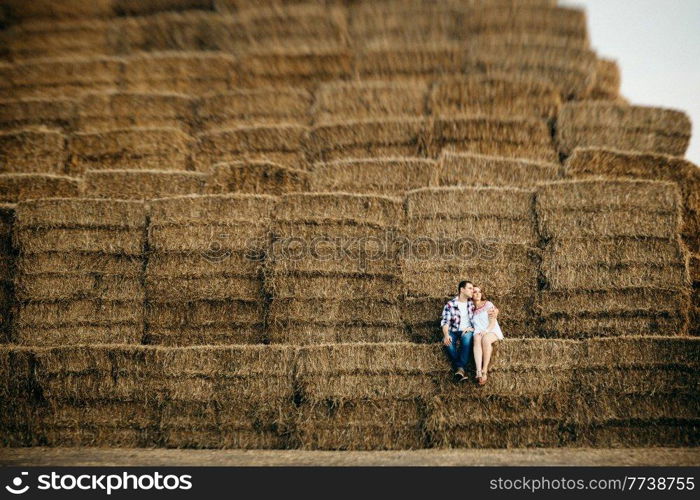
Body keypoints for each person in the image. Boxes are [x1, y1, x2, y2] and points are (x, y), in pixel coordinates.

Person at [440, 280, 475, 381]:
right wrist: (446, 334)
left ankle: (459, 369)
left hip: (467, 331)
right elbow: (445, 322)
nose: (472, 291)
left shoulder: (472, 304)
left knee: (466, 340)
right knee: (448, 342)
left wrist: (471, 328)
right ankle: (461, 368)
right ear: (462, 290)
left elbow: (481, 318)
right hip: (454, 331)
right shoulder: (450, 304)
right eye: (470, 288)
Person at [471, 286, 503, 386]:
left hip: (491, 330)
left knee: (485, 339)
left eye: (479, 292)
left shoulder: (488, 304)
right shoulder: (470, 308)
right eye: (475, 292)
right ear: (471, 294)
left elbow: (492, 322)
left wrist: (486, 331)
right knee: (476, 338)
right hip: (479, 331)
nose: (477, 294)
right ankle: (478, 371)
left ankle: (484, 370)